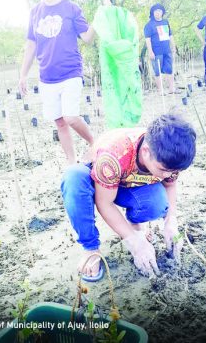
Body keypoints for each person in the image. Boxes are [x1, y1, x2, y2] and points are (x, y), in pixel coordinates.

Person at [61, 113, 196, 281]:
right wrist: (134, 243)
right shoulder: (113, 156)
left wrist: (170, 221)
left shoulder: (169, 157)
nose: (168, 175)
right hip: (98, 179)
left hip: (127, 183)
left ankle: (135, 225)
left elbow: (170, 185)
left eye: (174, 172)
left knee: (158, 204)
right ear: (146, 152)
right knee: (73, 178)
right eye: (163, 170)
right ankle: (91, 248)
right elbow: (105, 203)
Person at [19, 0, 95, 165]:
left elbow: (87, 38)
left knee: (70, 117)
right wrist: (23, 74)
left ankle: (94, 144)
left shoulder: (71, 8)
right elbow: (31, 44)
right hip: (47, 77)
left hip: (70, 72)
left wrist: (97, 21)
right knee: (60, 122)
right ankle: (71, 162)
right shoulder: (35, 12)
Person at [144, 3, 177, 94]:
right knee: (157, 71)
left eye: (159, 11)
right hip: (156, 52)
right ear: (153, 13)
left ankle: (171, 89)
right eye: (156, 11)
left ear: (162, 12)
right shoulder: (149, 25)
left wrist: (173, 46)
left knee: (169, 69)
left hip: (167, 50)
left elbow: (170, 35)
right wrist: (150, 51)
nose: (158, 13)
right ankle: (160, 90)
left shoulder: (165, 22)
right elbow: (148, 40)